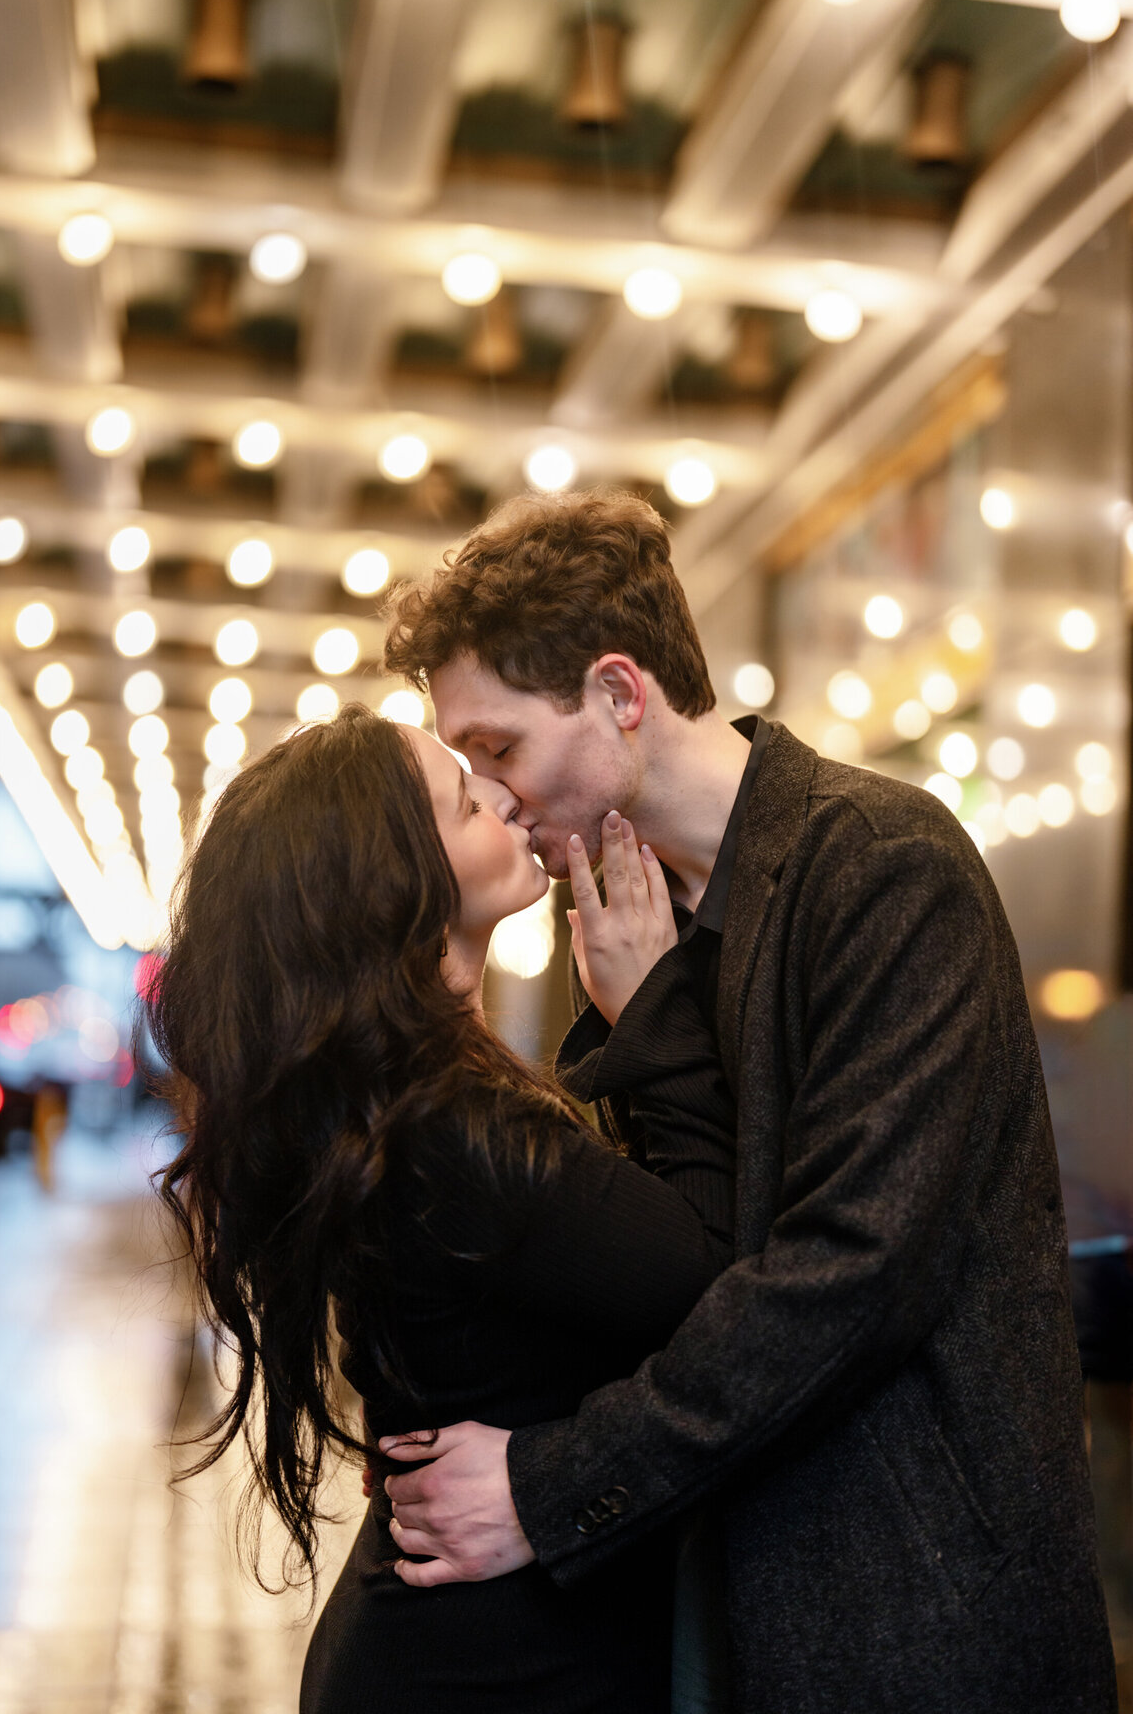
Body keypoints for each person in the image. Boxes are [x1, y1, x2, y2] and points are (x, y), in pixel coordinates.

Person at [377, 485, 1118, 1713]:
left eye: (498, 748)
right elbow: (667, 1264)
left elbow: (849, 1273)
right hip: (725, 1585)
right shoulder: (630, 920)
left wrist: (551, 1485)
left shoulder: (885, 863)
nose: (495, 797)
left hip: (906, 1608)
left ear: (621, 694)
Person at [146, 702, 740, 1714]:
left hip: (454, 1641)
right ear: (395, 889)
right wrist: (655, 1022)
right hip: (487, 1666)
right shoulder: (450, 1128)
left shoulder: (394, 1108)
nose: (505, 795)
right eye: (469, 800)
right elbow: (718, 1286)